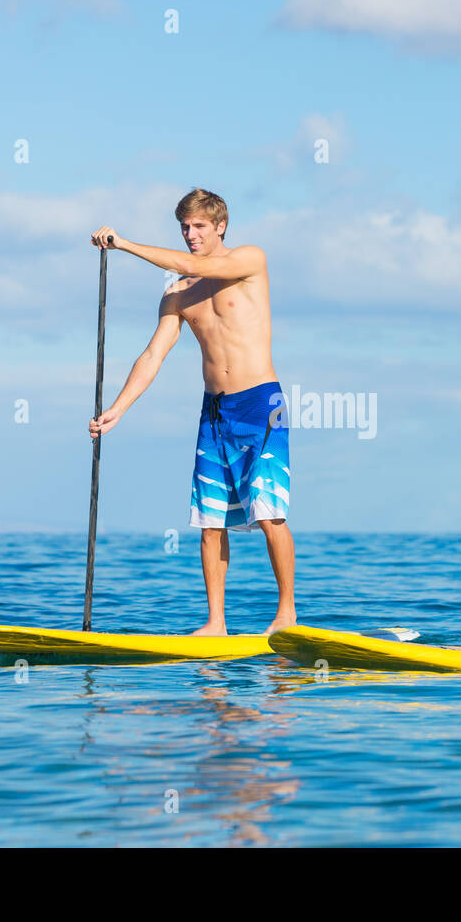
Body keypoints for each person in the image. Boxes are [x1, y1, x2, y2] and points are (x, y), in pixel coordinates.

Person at [88, 189, 295, 636]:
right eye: (184, 227)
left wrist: (123, 244)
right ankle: (216, 623)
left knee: (268, 514)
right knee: (210, 519)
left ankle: (285, 615)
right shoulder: (179, 293)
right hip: (215, 410)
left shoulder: (248, 261)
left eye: (199, 226)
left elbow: (196, 265)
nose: (190, 234)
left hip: (261, 403)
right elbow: (152, 356)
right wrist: (117, 410)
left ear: (220, 226)